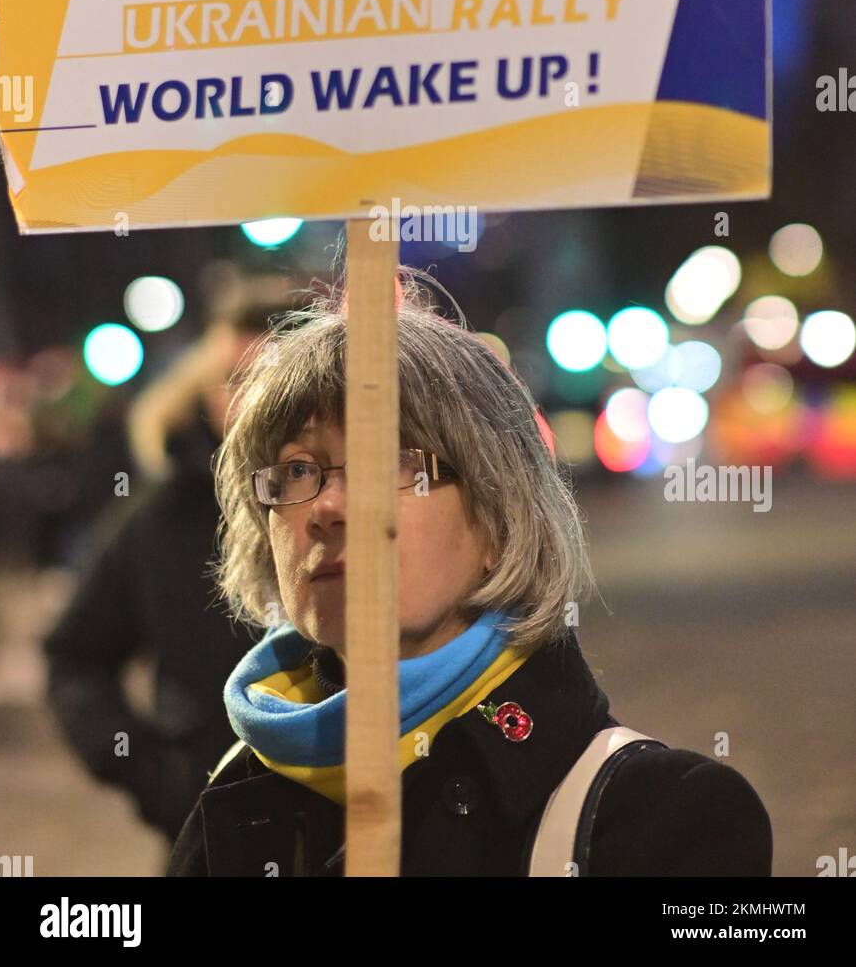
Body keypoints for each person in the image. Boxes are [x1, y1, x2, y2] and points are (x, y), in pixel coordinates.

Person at [167, 269, 773, 877]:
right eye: (297, 470)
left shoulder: (661, 817)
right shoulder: (233, 793)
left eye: (388, 462)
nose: (327, 507)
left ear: (499, 517)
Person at [43, 280, 311, 845]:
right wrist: (159, 776)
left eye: (271, 379)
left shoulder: (363, 512)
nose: (246, 399)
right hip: (212, 843)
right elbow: (75, 656)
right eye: (233, 378)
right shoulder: (161, 518)